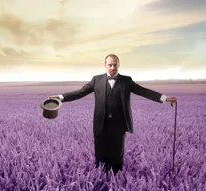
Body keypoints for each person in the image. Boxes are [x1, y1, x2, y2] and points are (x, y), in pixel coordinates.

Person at [49, 54, 177, 175]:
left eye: (115, 65)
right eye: (110, 65)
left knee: (117, 154)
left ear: (119, 65)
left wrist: (164, 98)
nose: (112, 68)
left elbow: (143, 91)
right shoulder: (96, 80)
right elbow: (80, 92)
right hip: (101, 123)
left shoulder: (126, 80)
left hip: (119, 124)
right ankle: (100, 176)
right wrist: (61, 97)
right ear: (105, 65)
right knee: (100, 153)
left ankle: (117, 177)